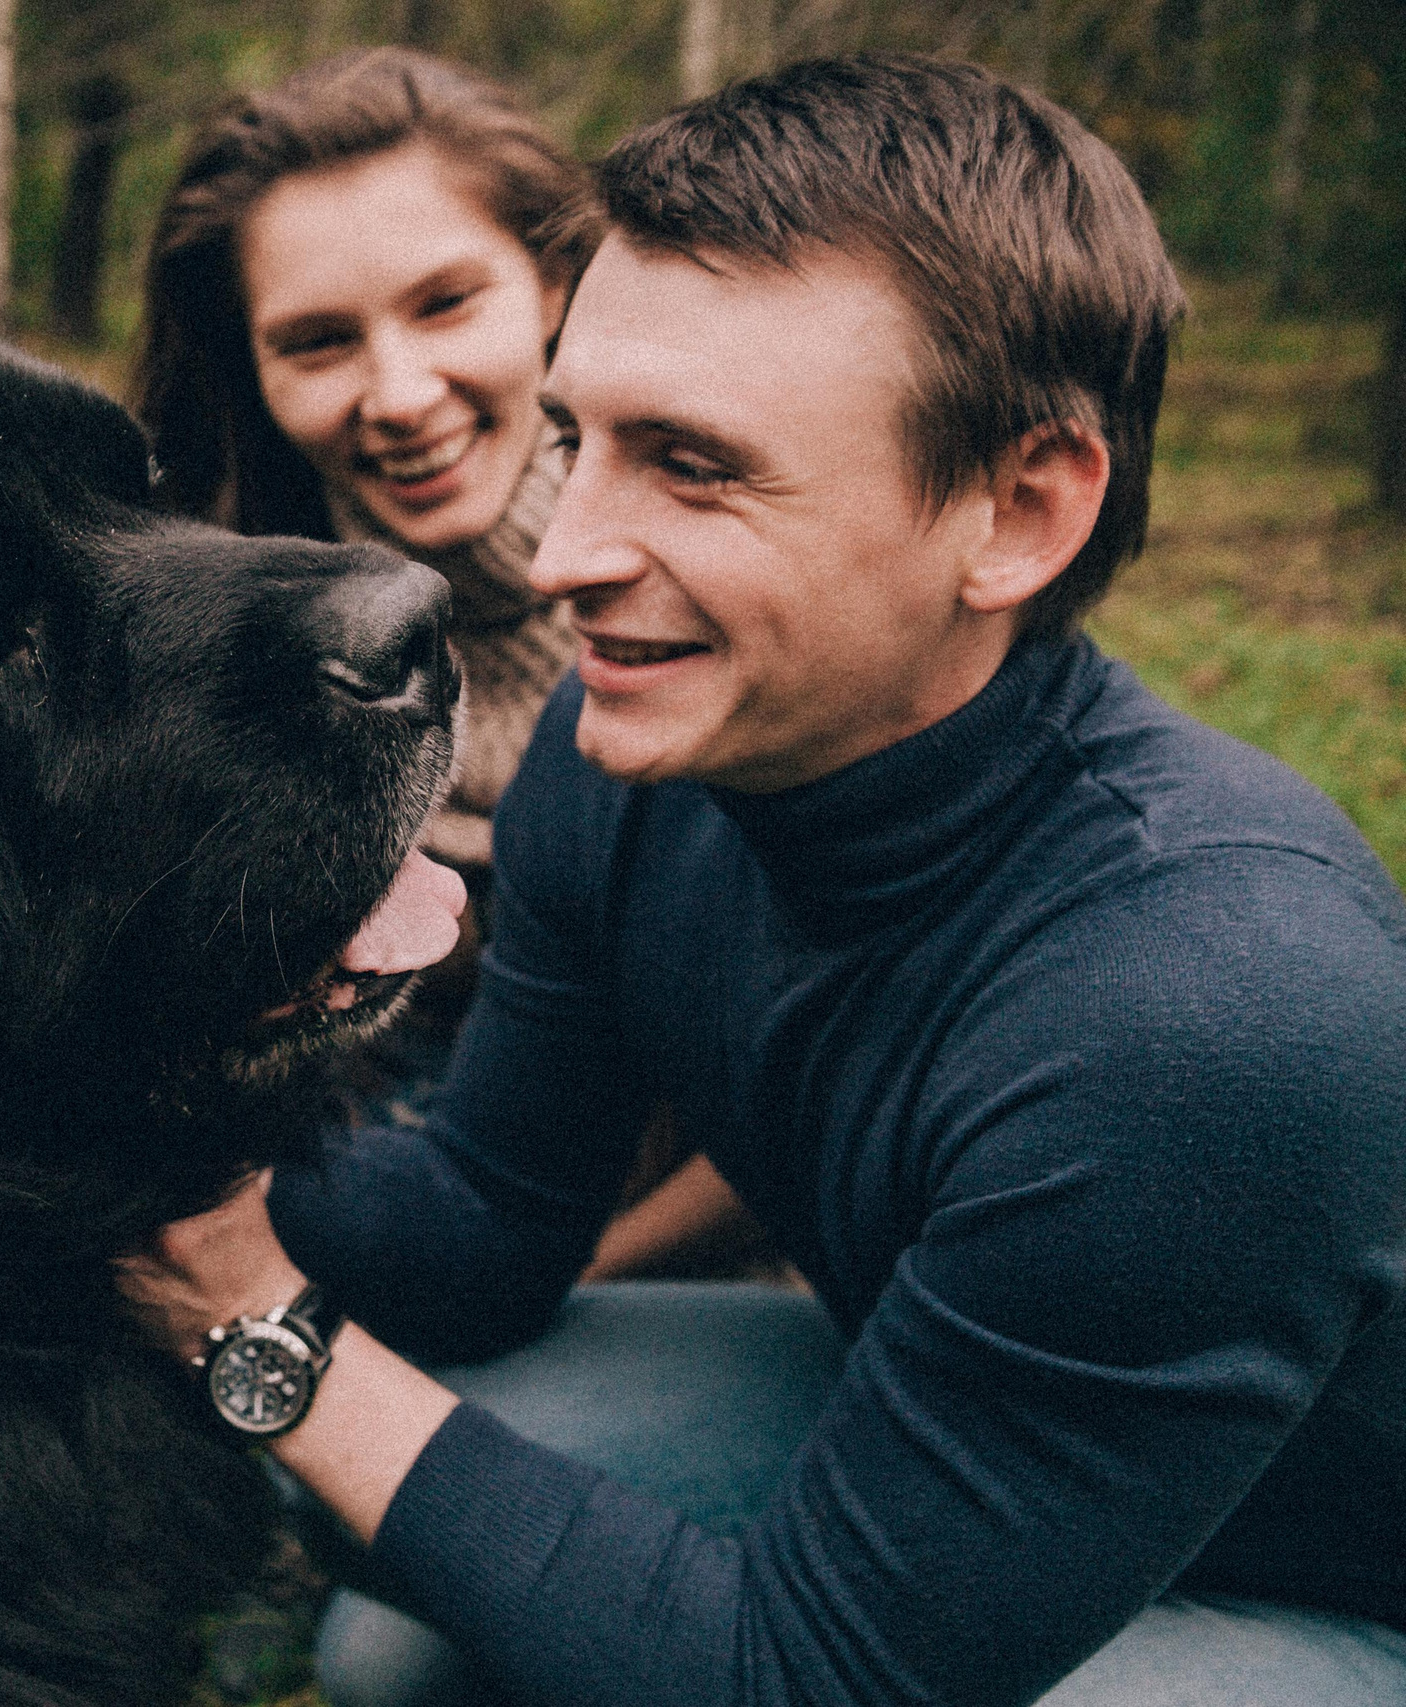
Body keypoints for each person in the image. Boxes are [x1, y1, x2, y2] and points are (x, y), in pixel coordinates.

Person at [121, 52, 1406, 1707]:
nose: (569, 548)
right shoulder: (625, 761)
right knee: (399, 1649)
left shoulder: (1214, 1008)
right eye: (579, 436)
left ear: (1021, 508)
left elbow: (799, 1680)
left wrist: (256, 1335)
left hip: (1341, 1587)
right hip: (948, 1412)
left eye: (695, 464)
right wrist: (117, 1114)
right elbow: (493, 1223)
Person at [134, 48, 771, 1280]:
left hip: (653, 1272)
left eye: (443, 304)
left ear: (551, 285)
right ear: (251, 373)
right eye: (317, 343)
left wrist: (575, 1278)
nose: (398, 392)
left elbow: (810, 1082)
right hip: (329, 1226)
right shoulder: (200, 654)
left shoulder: (740, 605)